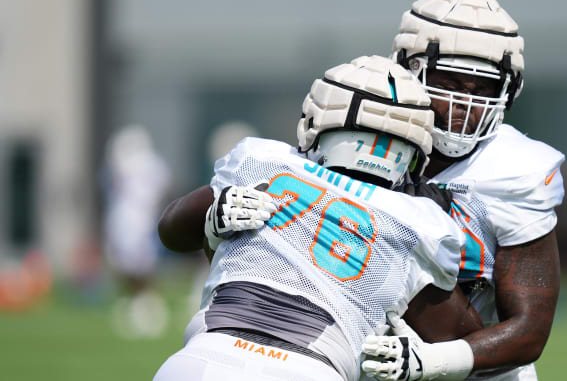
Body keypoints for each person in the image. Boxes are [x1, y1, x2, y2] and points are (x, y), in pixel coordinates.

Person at [154, 56, 486, 381]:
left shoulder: (262, 163)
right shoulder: (419, 223)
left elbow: (170, 232)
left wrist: (211, 220)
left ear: (316, 122)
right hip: (310, 370)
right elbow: (465, 343)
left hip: (200, 360)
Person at [361, 0, 565, 381]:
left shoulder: (514, 170)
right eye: (450, 83)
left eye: (482, 89)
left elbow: (529, 334)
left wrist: (429, 363)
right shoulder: (364, 137)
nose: (464, 106)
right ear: (408, 68)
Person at [102, 125, 172, 339]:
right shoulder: (136, 164)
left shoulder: (146, 164)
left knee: (142, 264)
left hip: (139, 218)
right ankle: (136, 302)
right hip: (128, 217)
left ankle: (148, 304)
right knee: (126, 263)